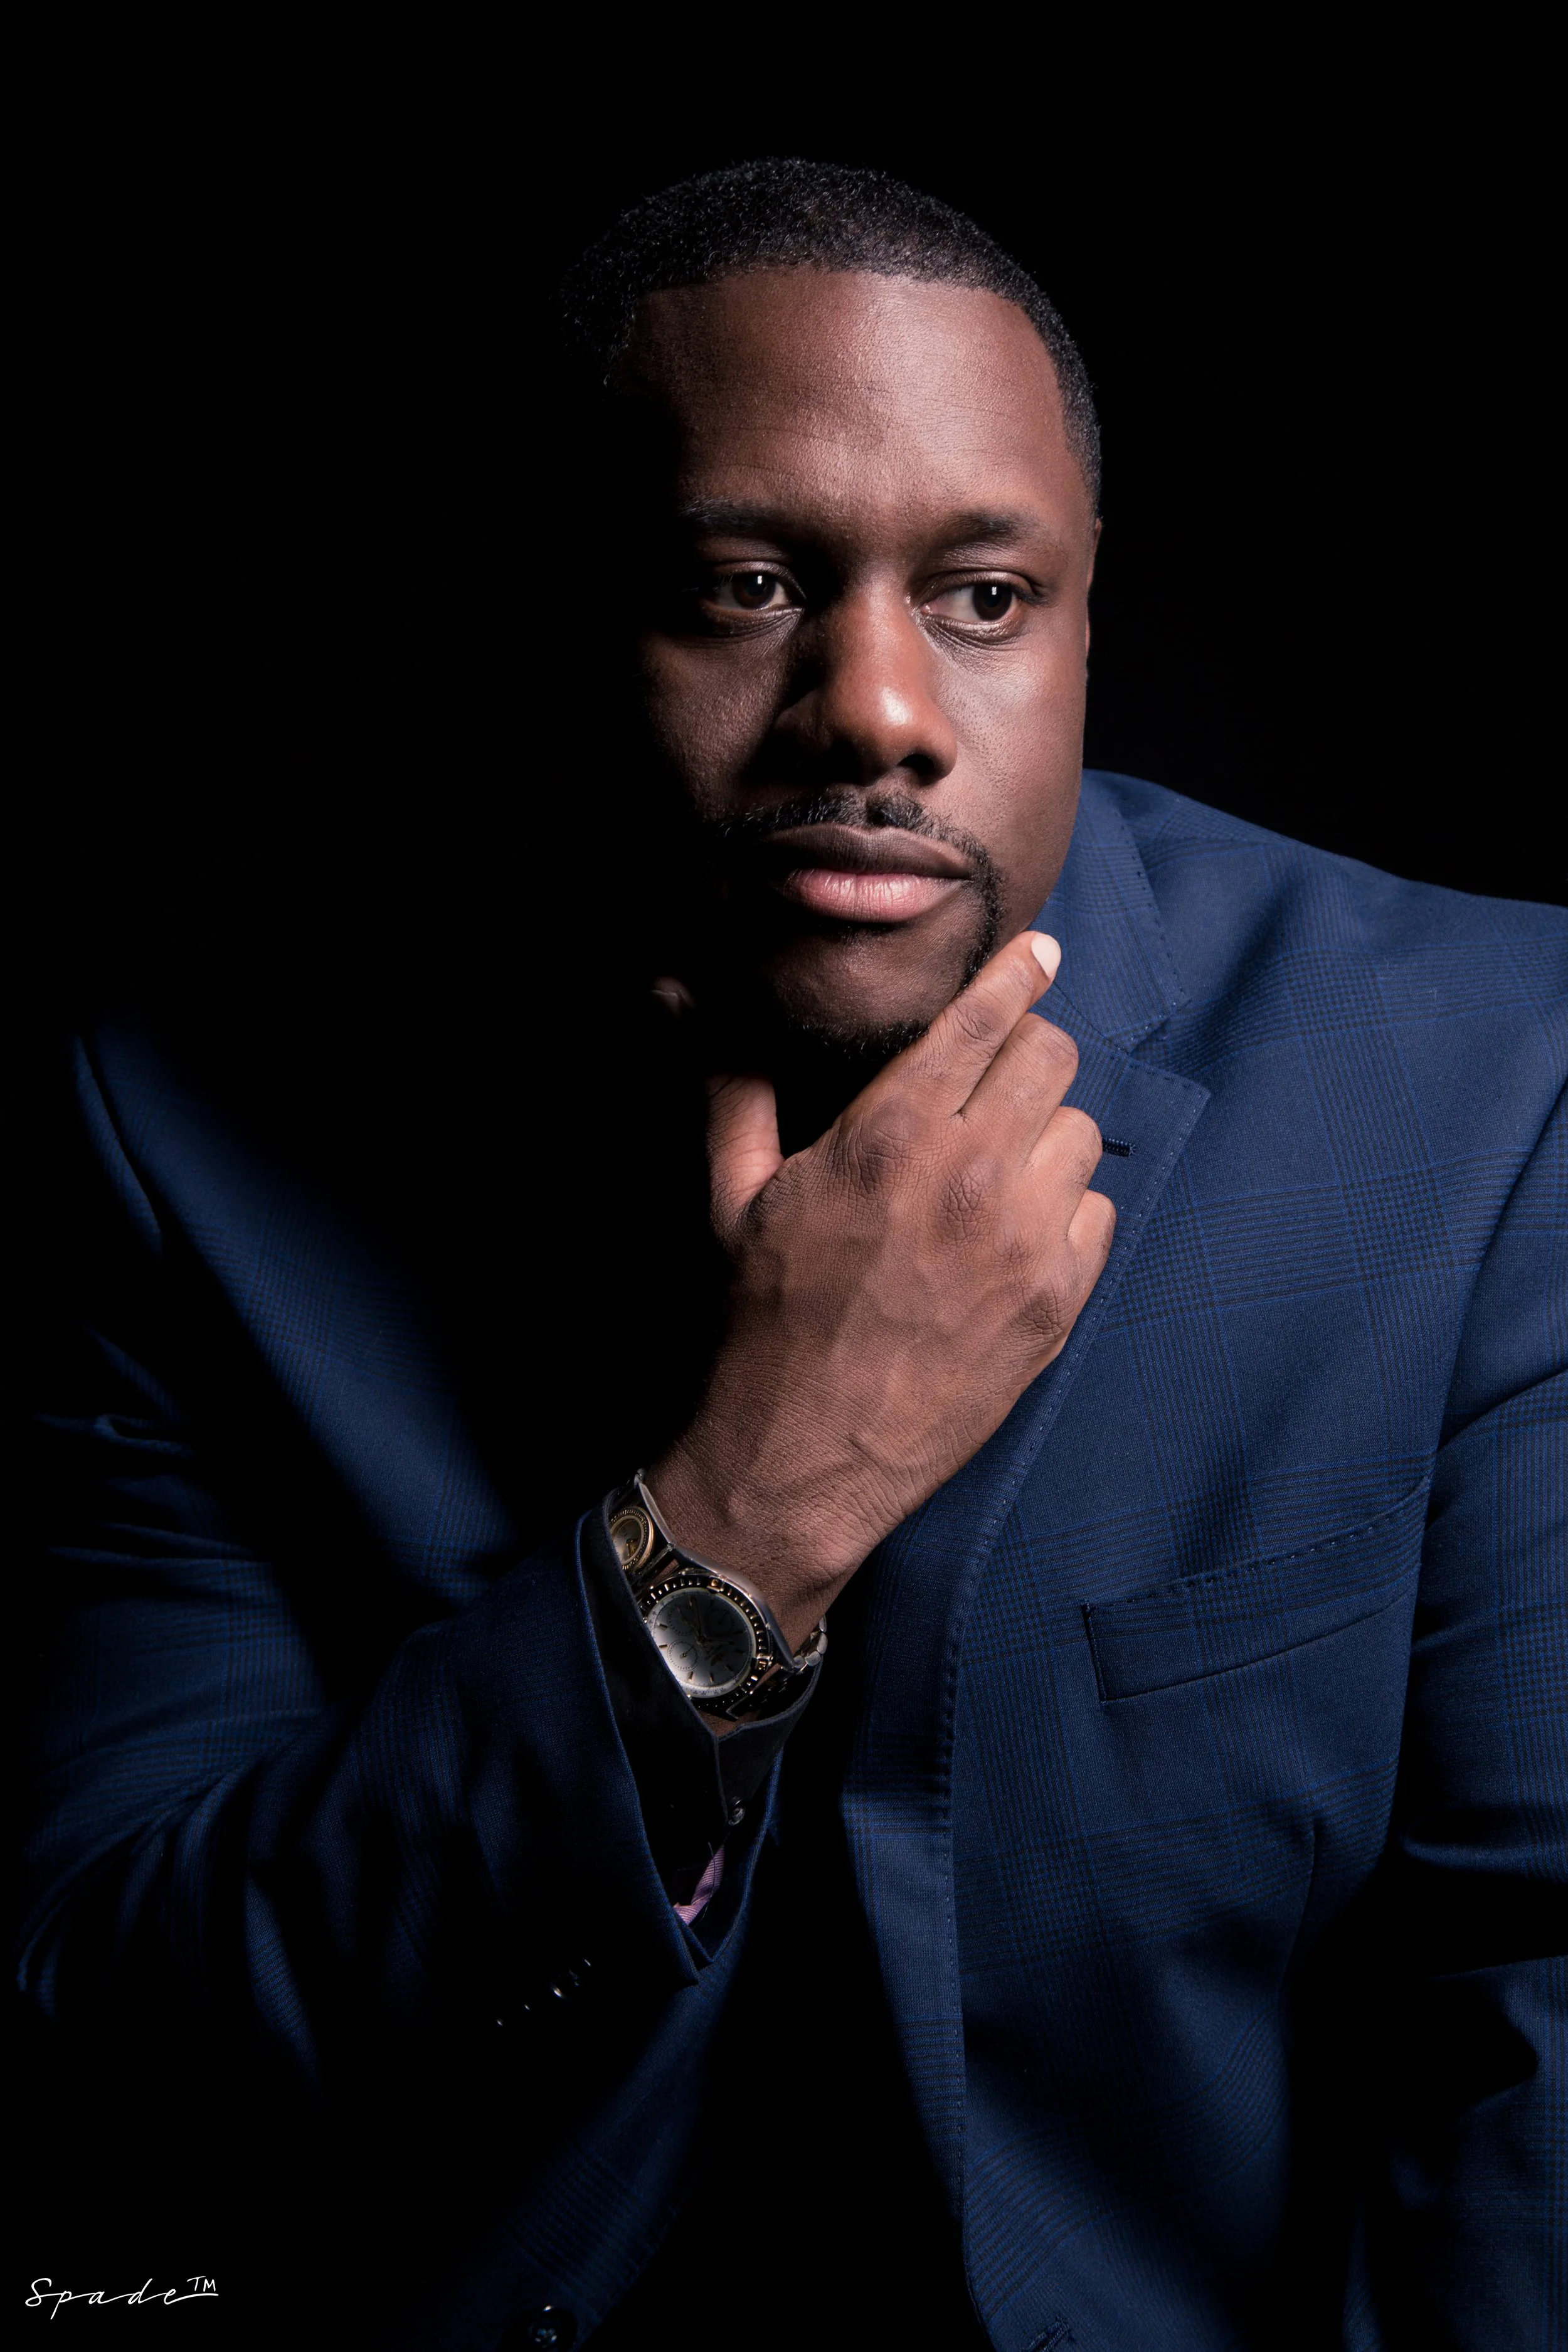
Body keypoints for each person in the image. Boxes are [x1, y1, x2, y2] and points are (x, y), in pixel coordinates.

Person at [19, 161, 1565, 2351]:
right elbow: (119, 2052)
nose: (877, 709)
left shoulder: (1487, 1093)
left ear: (1088, 615)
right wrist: (747, 1509)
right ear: (559, 620)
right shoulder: (200, 1148)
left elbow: (1535, 2027)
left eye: (985, 597)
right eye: (746, 585)